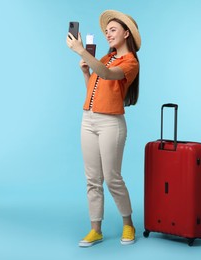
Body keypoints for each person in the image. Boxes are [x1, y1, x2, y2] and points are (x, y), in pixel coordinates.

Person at [66, 10, 141, 247]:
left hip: (111, 123)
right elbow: (94, 88)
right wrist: (86, 72)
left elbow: (107, 75)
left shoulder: (130, 62)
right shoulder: (105, 58)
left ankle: (128, 224)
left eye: (113, 30)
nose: (108, 34)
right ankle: (95, 229)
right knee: (92, 179)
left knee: (112, 178)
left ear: (126, 33)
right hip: (88, 120)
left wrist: (80, 51)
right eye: (106, 31)